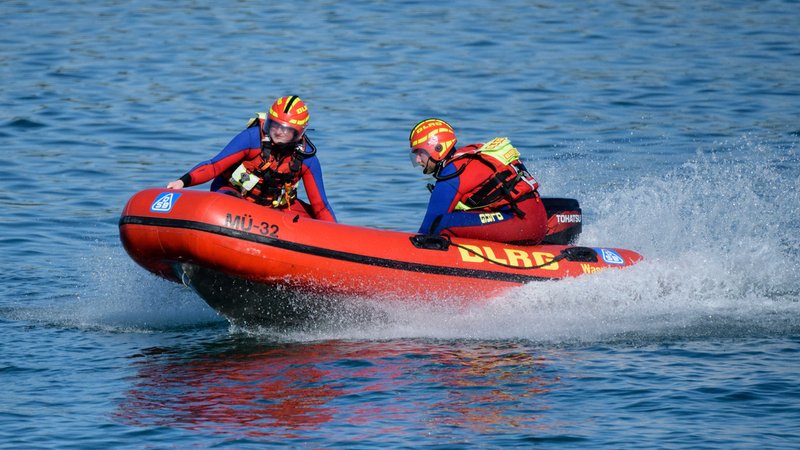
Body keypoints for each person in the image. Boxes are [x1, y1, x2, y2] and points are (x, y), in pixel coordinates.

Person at [166, 96, 336, 222]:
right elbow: (214, 166)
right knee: (228, 203)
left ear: (298, 133)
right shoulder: (252, 138)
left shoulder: (307, 158)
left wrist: (338, 237)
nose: (278, 132)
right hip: (233, 195)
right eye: (275, 125)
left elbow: (320, 205)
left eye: (286, 129)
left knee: (314, 218)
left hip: (274, 208)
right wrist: (182, 182)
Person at [409, 118, 547, 244]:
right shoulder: (466, 158)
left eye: (420, 153)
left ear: (437, 148)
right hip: (532, 220)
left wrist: (410, 249)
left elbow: (428, 227)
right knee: (455, 218)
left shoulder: (452, 172)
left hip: (523, 223)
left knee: (441, 223)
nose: (417, 160)